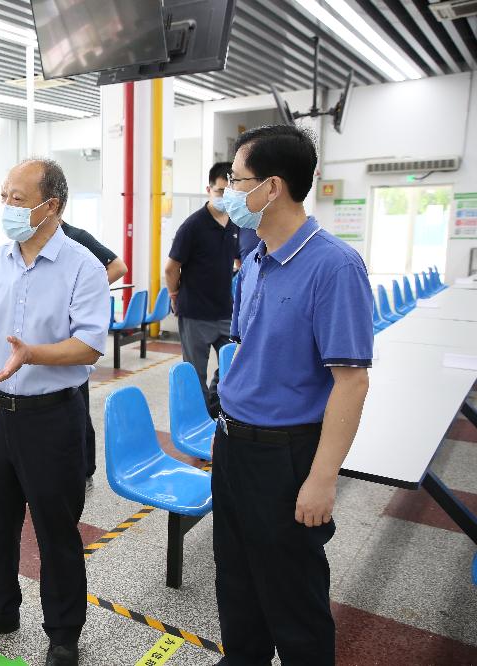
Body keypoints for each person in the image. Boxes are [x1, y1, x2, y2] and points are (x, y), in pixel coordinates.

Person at [0, 159, 109, 666]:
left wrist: (33, 354)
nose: (7, 207)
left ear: (50, 205)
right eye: (4, 197)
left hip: (52, 418)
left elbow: (89, 345)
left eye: (17, 198)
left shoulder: (83, 266)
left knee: (57, 531)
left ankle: (63, 632)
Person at [214, 125, 372, 665]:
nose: (228, 193)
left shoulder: (334, 266)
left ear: (272, 187)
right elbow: (247, 351)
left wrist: (322, 479)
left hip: (284, 456)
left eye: (237, 181)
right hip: (233, 446)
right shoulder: (255, 260)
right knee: (236, 581)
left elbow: (351, 381)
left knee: (293, 596)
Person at [164, 162, 239, 416]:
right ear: (209, 189)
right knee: (195, 374)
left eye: (230, 192)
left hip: (225, 312)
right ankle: (201, 420)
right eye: (220, 192)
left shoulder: (235, 224)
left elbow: (240, 260)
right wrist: (174, 295)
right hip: (195, 313)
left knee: (232, 365)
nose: (224, 198)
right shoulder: (193, 226)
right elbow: (171, 268)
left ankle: (214, 406)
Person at [60, 219, 127, 486]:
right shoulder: (28, 243)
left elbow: (118, 267)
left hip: (74, 335)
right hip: (47, 337)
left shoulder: (76, 236)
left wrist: (84, 294)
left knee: (77, 401)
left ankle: (85, 469)